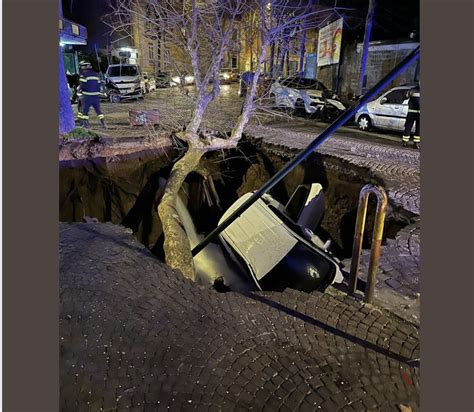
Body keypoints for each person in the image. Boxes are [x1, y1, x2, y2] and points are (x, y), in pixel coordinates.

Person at [77, 60, 106, 129]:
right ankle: (104, 124)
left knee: (85, 110)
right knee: (98, 110)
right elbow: (99, 84)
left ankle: (85, 125)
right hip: (96, 96)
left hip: (87, 96)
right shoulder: (96, 74)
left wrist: (80, 91)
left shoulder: (83, 75)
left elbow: (82, 85)